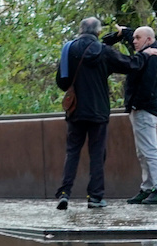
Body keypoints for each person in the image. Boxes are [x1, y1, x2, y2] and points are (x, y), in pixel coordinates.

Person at [55, 17, 139, 209]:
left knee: (72, 152)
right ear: (98, 32)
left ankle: (64, 193)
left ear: (80, 30)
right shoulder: (104, 51)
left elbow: (62, 82)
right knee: (97, 153)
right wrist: (129, 40)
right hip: (98, 110)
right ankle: (95, 197)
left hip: (75, 110)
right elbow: (131, 64)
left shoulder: (69, 49)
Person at [103, 24, 157, 203]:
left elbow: (147, 85)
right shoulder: (149, 51)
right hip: (141, 109)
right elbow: (137, 35)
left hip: (144, 109)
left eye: (137, 39)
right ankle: (147, 188)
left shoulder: (152, 57)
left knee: (150, 151)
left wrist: (137, 105)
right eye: (134, 38)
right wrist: (123, 32)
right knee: (143, 152)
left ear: (148, 40)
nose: (134, 41)